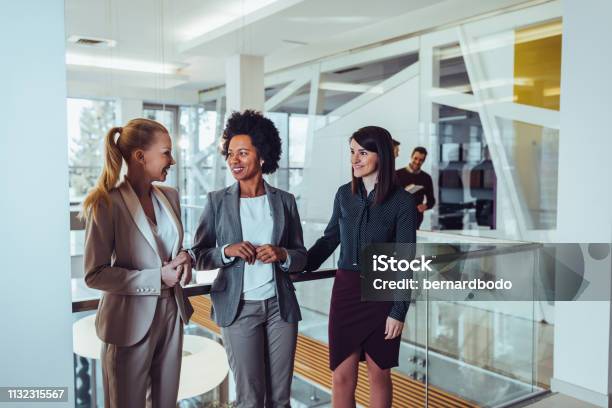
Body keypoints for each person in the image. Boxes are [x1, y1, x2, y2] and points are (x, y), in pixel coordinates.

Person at [191, 110, 306, 408]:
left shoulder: (284, 201)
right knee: (249, 399)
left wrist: (282, 255)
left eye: (243, 153)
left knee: (280, 399)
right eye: (230, 154)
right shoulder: (217, 201)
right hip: (238, 309)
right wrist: (226, 252)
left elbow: (300, 257)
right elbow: (199, 256)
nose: (234, 161)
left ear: (262, 156)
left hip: (280, 309)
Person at [82, 118, 194, 408]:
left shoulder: (170, 196)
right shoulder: (105, 203)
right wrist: (156, 277)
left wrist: (185, 258)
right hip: (128, 322)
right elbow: (95, 274)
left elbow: (168, 249)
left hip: (171, 313)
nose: (173, 159)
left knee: (166, 403)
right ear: (140, 157)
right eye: (166, 152)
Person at [306, 126, 417, 408]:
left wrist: (398, 310)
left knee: (379, 375)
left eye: (362, 152)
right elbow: (330, 239)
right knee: (341, 377)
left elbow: (405, 260)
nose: (355, 159)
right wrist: (298, 264)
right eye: (352, 152)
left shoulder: (402, 202)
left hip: (382, 293)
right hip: (345, 292)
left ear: (381, 156)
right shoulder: (344, 195)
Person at [395, 146, 436, 229]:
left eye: (421, 160)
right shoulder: (397, 174)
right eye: (415, 158)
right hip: (398, 216)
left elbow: (431, 200)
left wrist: (426, 206)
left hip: (416, 218)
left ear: (424, 161)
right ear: (411, 157)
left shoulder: (426, 178)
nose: (417, 162)